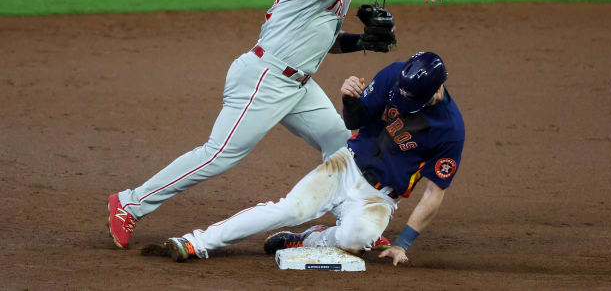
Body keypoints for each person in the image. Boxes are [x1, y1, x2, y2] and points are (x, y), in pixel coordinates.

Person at [108, 0, 448, 249]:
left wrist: (361, 42)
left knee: (343, 144)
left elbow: (322, 42)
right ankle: (131, 202)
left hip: (297, 84)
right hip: (264, 78)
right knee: (219, 154)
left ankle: (352, 218)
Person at [158, 51, 465, 266]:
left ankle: (308, 239)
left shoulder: (450, 130)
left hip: (379, 198)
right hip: (346, 165)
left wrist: (403, 244)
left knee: (356, 241)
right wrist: (348, 99)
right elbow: (354, 121)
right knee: (290, 208)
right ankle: (197, 242)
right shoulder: (395, 76)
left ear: (438, 87)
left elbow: (434, 194)